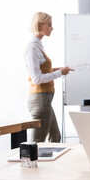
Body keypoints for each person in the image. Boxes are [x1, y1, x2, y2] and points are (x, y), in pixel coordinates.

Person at [24, 12, 74, 143]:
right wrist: (60, 73)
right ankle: (31, 163)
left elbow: (43, 71)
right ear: (40, 25)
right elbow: (37, 79)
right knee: (37, 142)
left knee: (55, 136)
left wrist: (59, 70)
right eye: (49, 25)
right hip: (39, 100)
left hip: (45, 100)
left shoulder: (38, 46)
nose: (52, 28)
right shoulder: (32, 48)